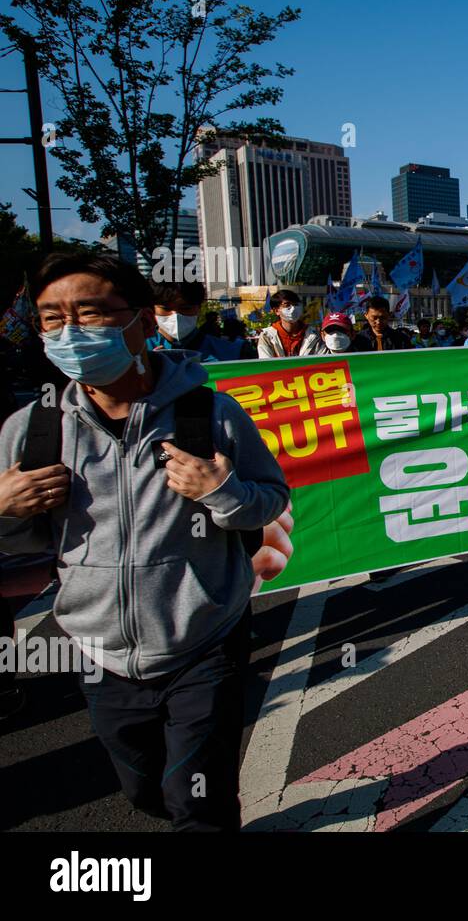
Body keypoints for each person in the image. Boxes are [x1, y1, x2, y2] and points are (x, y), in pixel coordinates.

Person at [0, 253, 289, 830]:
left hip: (205, 642)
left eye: (91, 314)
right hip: (99, 652)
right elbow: (20, 542)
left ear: (140, 321)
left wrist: (222, 490)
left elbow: (271, 499)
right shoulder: (32, 428)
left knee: (198, 802)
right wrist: (4, 511)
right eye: (52, 319)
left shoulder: (208, 412)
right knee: (142, 788)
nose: (71, 333)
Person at [146, 280, 243, 361]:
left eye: (186, 308)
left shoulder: (232, 353)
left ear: (199, 308)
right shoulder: (138, 351)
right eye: (166, 309)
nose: (175, 316)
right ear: (152, 309)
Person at [256, 289, 325, 358]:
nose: (293, 308)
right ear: (276, 311)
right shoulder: (267, 336)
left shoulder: (314, 334)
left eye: (296, 304)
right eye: (287, 305)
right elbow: (266, 364)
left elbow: (323, 361)